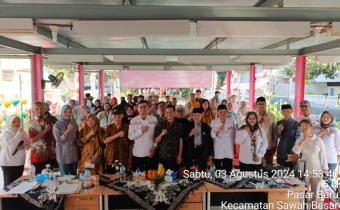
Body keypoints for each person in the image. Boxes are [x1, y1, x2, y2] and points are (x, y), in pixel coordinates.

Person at [292, 119, 328, 207]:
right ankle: (302, 207)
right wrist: (303, 140)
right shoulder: (299, 139)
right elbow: (295, 151)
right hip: (303, 169)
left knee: (315, 193)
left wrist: (325, 169)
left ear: (311, 127)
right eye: (301, 127)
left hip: (317, 168)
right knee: (303, 192)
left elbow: (323, 155)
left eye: (306, 126)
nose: (303, 128)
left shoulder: (318, 140)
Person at [128, 100, 158, 171]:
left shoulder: (154, 119)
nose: (143, 109)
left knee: (150, 178)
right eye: (140, 107)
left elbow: (157, 136)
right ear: (137, 109)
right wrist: (141, 131)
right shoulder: (133, 120)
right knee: (138, 178)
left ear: (148, 108)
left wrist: (154, 147)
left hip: (150, 153)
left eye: (145, 107)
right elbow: (130, 137)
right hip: (137, 153)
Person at [0, 115, 29, 187]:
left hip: (20, 162)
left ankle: (17, 198)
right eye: (14, 122)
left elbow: (28, 145)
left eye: (18, 121)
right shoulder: (6, 134)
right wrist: (19, 134)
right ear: (9, 123)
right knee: (9, 186)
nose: (17, 123)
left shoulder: (22, 132)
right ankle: (6, 198)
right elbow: (12, 147)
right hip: (9, 163)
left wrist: (24, 145)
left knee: (18, 186)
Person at [153, 105, 183, 171]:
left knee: (173, 178)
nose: (169, 114)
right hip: (163, 156)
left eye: (171, 112)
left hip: (174, 157)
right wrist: (161, 134)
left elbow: (181, 140)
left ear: (174, 112)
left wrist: (180, 155)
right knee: (161, 177)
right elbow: (156, 140)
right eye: (167, 112)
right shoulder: (160, 124)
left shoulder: (179, 125)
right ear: (165, 113)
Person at [315, 111, 340, 188]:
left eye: (328, 117)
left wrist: (338, 157)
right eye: (323, 117)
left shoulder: (335, 130)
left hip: (330, 160)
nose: (325, 119)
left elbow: (338, 145)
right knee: (318, 181)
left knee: (328, 181)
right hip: (319, 160)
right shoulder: (316, 128)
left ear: (331, 119)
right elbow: (313, 142)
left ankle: (328, 199)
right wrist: (322, 132)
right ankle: (318, 198)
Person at [29, 102, 55, 174]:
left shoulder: (49, 121)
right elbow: (32, 140)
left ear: (45, 109)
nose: (39, 111)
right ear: (33, 110)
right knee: (39, 180)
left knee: (49, 178)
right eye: (37, 109)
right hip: (37, 156)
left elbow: (52, 138)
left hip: (49, 154)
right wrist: (45, 130)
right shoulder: (32, 123)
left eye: (41, 108)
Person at [53, 105, 79, 175]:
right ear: (61, 112)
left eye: (70, 112)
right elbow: (58, 141)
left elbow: (77, 139)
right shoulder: (57, 125)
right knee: (64, 179)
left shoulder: (74, 124)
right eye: (65, 112)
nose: (68, 114)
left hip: (74, 154)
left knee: (74, 177)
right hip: (63, 155)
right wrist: (67, 130)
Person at [211, 104, 236, 172]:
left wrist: (234, 147)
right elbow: (212, 135)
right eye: (220, 112)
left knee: (228, 170)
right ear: (218, 113)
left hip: (229, 149)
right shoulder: (214, 122)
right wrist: (218, 130)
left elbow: (234, 135)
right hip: (218, 150)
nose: (222, 113)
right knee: (218, 170)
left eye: (224, 112)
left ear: (227, 112)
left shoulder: (231, 121)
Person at [104, 108, 129, 173]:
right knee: (110, 178)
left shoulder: (127, 127)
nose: (116, 118)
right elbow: (105, 141)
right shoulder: (109, 127)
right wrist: (117, 135)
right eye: (114, 116)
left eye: (118, 116)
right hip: (111, 157)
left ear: (122, 116)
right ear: (112, 117)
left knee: (122, 178)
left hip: (123, 157)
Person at [276, 104, 299, 170]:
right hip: (281, 150)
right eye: (284, 111)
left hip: (292, 151)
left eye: (288, 111)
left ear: (292, 112)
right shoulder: (279, 123)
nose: (286, 113)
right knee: (280, 171)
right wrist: (279, 130)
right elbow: (276, 137)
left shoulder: (296, 123)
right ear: (281, 113)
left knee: (291, 172)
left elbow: (298, 139)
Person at [255, 97, 276, 166]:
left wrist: (274, 145)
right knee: (257, 167)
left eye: (263, 104)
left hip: (268, 146)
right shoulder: (253, 116)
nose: (261, 106)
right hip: (257, 146)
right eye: (259, 104)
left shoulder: (272, 116)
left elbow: (274, 132)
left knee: (268, 167)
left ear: (266, 105)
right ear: (256, 105)